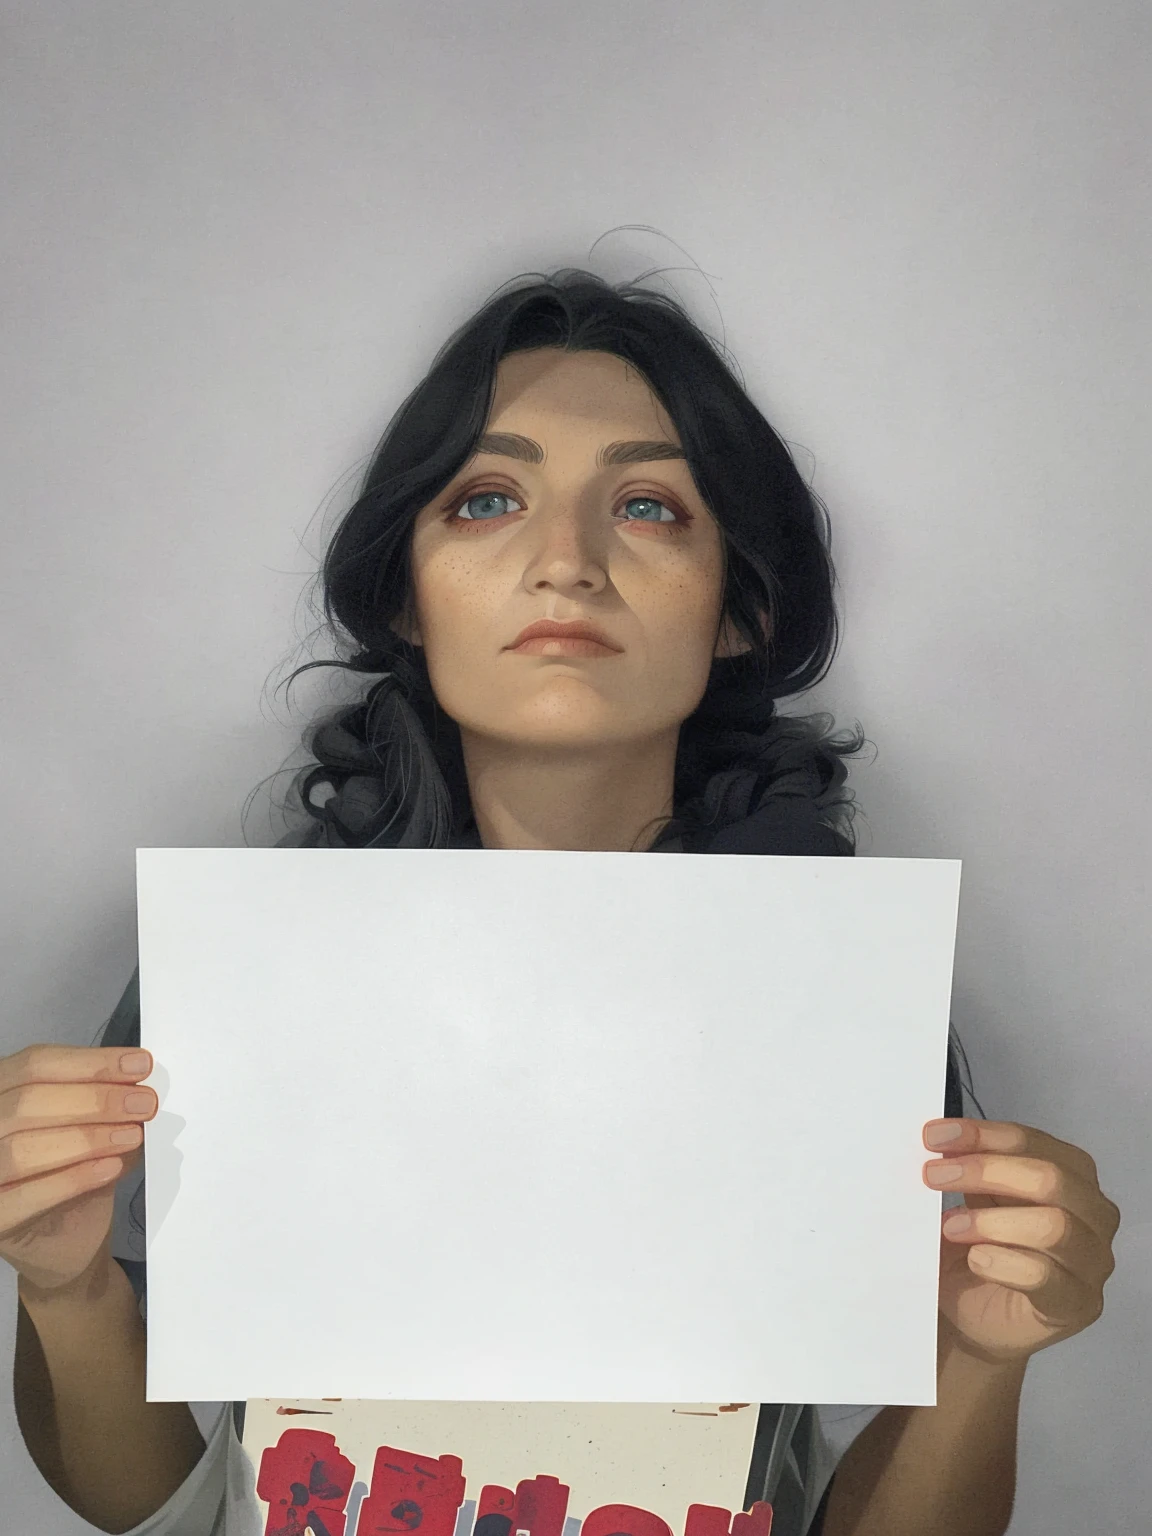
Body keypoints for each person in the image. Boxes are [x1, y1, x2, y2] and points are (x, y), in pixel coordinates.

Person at [1, 269, 1119, 1536]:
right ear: (400, 596)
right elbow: (147, 1503)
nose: (567, 563)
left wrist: (984, 1361)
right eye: (488, 499)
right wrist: (65, 1293)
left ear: (741, 605)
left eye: (649, 506)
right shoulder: (234, 986)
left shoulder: (843, 1012)